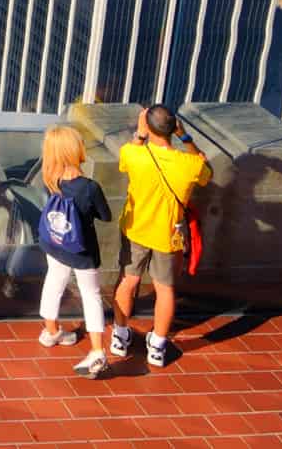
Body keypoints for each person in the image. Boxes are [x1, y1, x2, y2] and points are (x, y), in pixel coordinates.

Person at [111, 104, 210, 368]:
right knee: (165, 289)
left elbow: (127, 158)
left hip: (135, 229)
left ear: (148, 126)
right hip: (168, 234)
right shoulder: (190, 164)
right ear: (173, 128)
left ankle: (119, 337)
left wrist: (140, 134)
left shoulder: (132, 154)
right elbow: (205, 170)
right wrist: (185, 136)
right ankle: (157, 345)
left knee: (128, 280)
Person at [35, 124, 113, 377]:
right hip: (82, 250)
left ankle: (52, 332)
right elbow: (106, 215)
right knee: (91, 295)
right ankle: (98, 351)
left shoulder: (51, 179)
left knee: (54, 282)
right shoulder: (89, 187)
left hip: (55, 243)